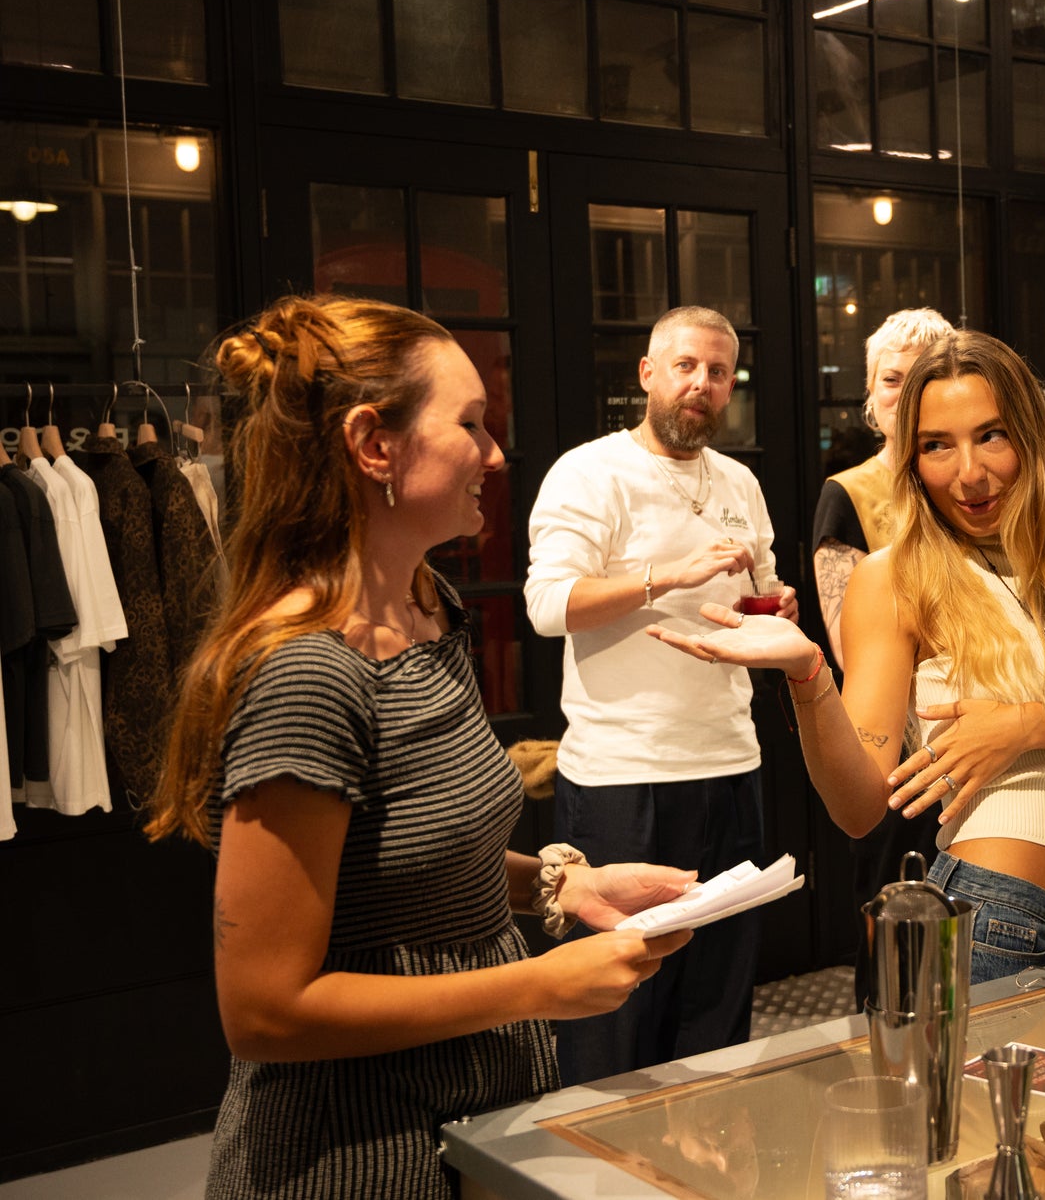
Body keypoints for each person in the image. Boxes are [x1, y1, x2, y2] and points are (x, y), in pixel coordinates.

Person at [144, 295, 695, 1200]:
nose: (494, 453)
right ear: (374, 445)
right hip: (353, 1155)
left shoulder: (428, 606)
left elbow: (404, 863)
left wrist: (561, 883)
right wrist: (539, 986)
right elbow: (265, 1010)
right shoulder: (309, 676)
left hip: (470, 1118)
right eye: (470, 424)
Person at [651, 330, 1045, 984]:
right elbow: (860, 808)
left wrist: (1025, 725)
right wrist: (808, 673)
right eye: (937, 445)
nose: (969, 473)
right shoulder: (895, 577)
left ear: (1030, 435)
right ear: (911, 458)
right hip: (989, 916)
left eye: (991, 435)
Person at [523, 305, 797, 1083]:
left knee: (718, 1005)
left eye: (718, 371)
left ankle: (706, 1145)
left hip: (730, 762)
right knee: (616, 1008)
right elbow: (548, 605)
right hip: (623, 775)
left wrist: (774, 609)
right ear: (647, 373)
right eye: (685, 366)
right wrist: (669, 574)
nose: (701, 383)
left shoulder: (740, 482)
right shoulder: (590, 471)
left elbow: (760, 589)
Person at [811, 307, 951, 987]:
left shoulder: (982, 488)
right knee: (903, 956)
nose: (906, 392)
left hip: (990, 753)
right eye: (892, 379)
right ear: (871, 393)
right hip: (900, 761)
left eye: (924, 376)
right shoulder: (851, 495)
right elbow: (851, 649)